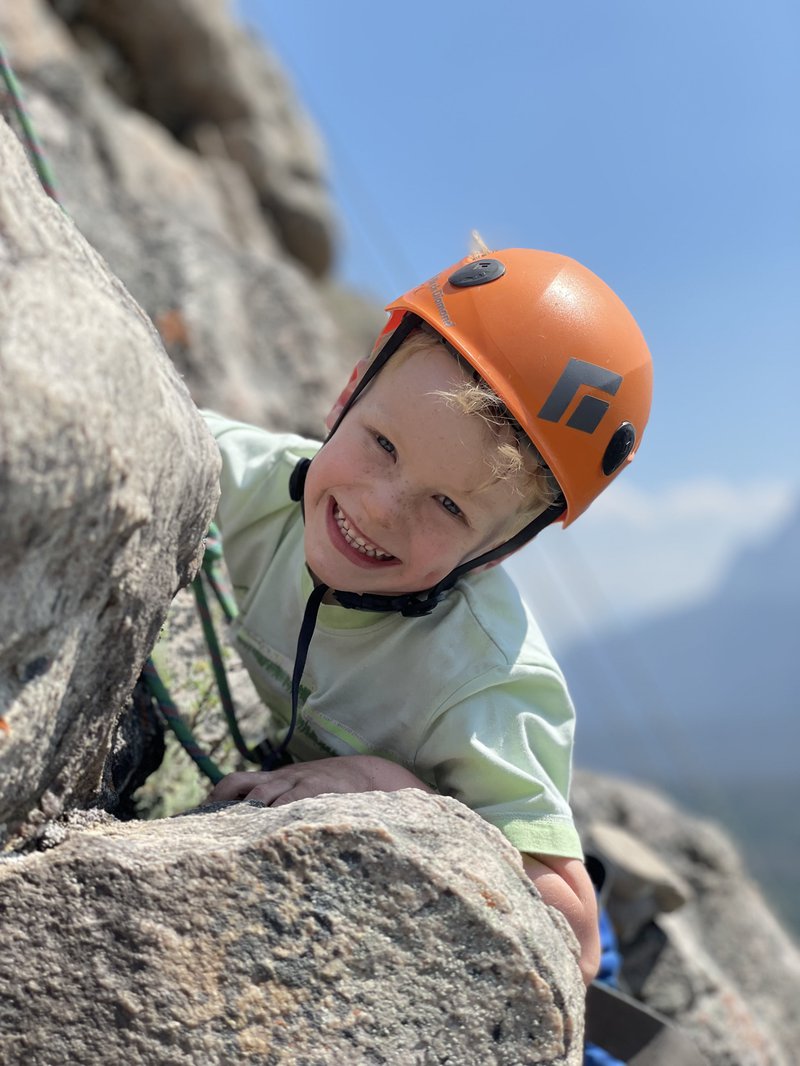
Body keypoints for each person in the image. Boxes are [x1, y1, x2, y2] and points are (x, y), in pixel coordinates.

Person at [202, 245, 653, 986]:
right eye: (382, 444)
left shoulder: (484, 686)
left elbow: (571, 939)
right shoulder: (252, 483)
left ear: (499, 551)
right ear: (348, 392)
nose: (381, 509)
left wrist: (394, 791)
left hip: (483, 829)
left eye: (448, 505)